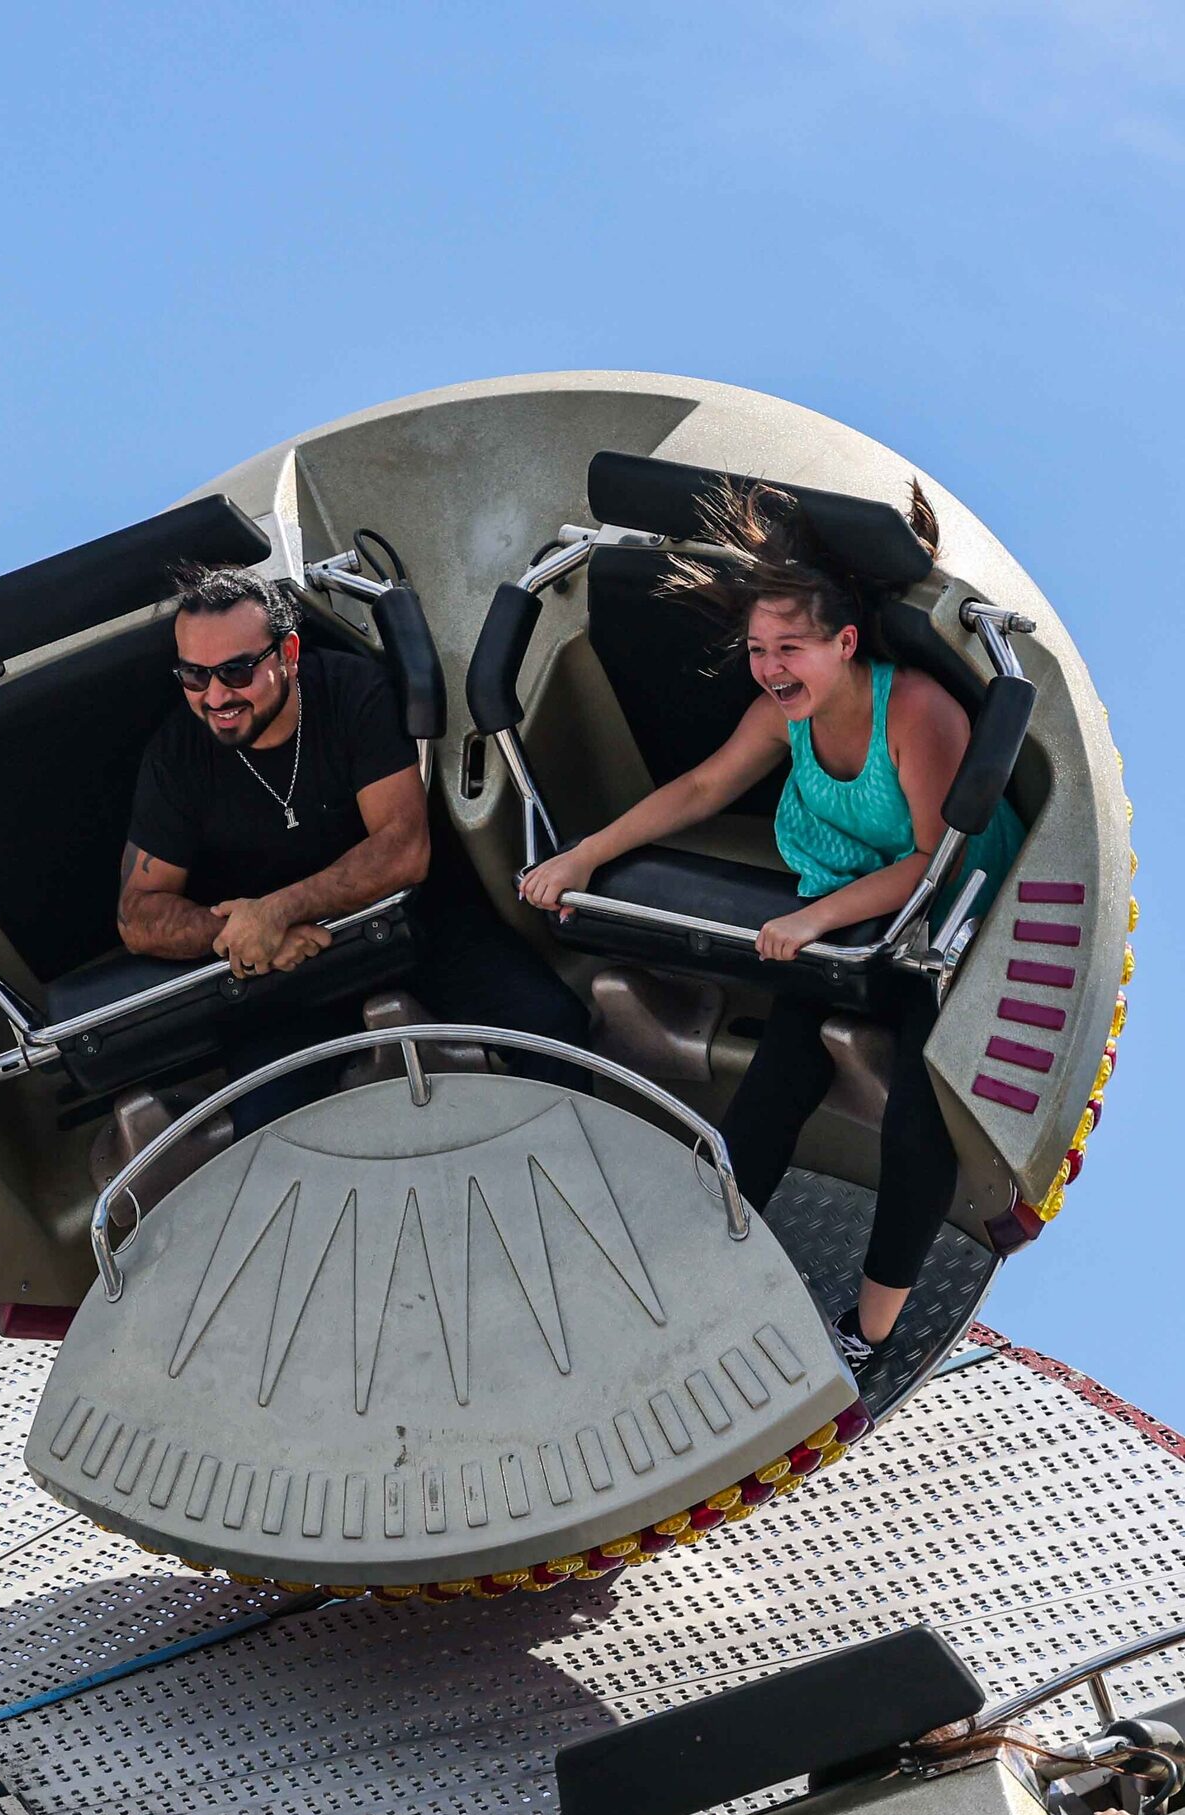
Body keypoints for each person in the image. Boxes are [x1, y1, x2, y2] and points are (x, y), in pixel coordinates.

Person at [518, 481, 1022, 1372]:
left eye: (790, 647)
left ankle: (866, 1333)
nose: (771, 666)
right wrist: (584, 855)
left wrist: (814, 917)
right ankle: (688, 1282)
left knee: (918, 1122)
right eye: (757, 649)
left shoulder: (909, 711)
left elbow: (935, 861)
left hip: (943, 914)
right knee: (772, 1087)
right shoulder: (777, 712)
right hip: (840, 918)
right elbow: (701, 791)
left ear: (845, 644)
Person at [118, 563, 592, 1133]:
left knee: (553, 1025)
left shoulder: (348, 691)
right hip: (286, 975)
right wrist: (248, 936)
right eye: (194, 676)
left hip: (414, 923)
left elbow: (402, 850)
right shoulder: (176, 759)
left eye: (237, 671)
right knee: (266, 1126)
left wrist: (279, 910)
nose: (216, 695)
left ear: (287, 652)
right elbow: (138, 913)